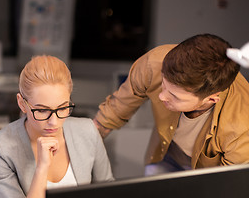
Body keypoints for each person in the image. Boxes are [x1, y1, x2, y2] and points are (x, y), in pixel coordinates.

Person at [0, 55, 114, 198]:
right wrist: (42, 168)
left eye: (62, 108)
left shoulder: (87, 131)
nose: (53, 122)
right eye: (42, 110)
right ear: (22, 103)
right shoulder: (0, 146)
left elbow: (107, 196)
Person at [93, 33, 249, 176]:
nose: (161, 96)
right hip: (164, 153)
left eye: (174, 96)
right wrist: (84, 144)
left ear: (211, 99)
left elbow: (226, 183)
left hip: (206, 173)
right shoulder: (154, 63)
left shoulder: (242, 127)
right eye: (163, 83)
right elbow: (114, 111)